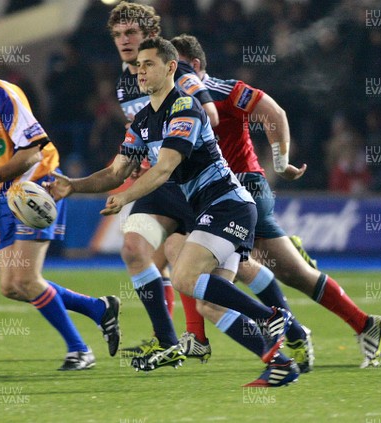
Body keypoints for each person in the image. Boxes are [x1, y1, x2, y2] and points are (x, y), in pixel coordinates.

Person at [51, 37, 299, 387]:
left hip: (229, 203)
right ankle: (280, 362)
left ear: (170, 67)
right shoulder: (141, 123)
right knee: (207, 303)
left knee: (184, 276)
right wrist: (72, 185)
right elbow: (114, 172)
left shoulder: (184, 108)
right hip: (210, 208)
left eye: (149, 64)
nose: (140, 71)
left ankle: (272, 317)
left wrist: (125, 199)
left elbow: (164, 168)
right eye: (137, 65)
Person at [170, 34, 381, 369]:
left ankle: (281, 345)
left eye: (179, 66)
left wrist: (280, 160)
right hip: (219, 197)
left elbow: (272, 111)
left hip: (241, 189)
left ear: (196, 66)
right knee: (291, 273)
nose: (173, 73)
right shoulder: (176, 101)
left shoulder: (219, 89)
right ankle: (360, 324)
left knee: (211, 292)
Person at [0, 40, 121, 371]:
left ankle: (80, 350)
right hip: (6, 193)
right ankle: (99, 309)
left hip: (39, 186)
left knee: (26, 278)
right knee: (10, 286)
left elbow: (32, 153)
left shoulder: (3, 95)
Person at [106, 0, 219, 360]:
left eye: (132, 33)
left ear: (150, 34)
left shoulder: (176, 70)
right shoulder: (128, 79)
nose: (124, 41)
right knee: (139, 251)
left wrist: (165, 150)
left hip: (195, 180)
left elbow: (210, 115)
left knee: (243, 270)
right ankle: (171, 340)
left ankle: (285, 330)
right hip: (161, 182)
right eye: (118, 35)